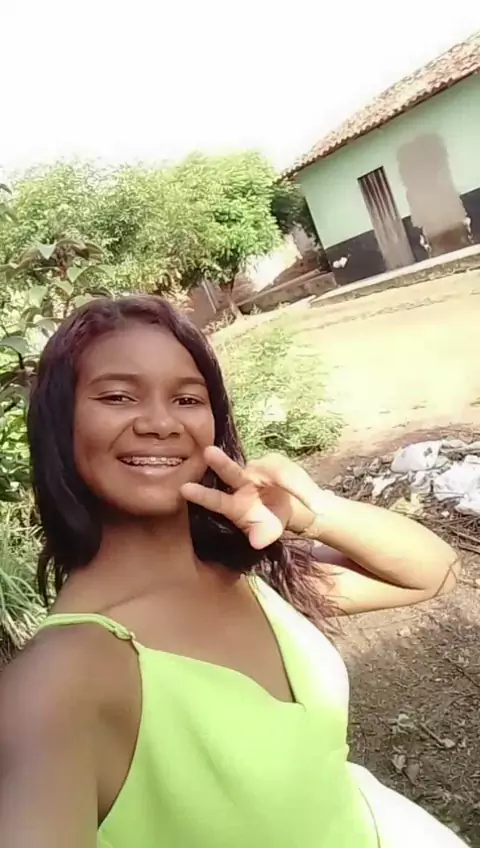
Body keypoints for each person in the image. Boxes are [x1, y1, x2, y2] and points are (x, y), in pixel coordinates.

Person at [0, 296, 465, 848]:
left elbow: (434, 572)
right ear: (60, 425)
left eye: (187, 398)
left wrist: (311, 514)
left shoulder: (242, 569)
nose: (160, 423)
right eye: (118, 396)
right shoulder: (59, 682)